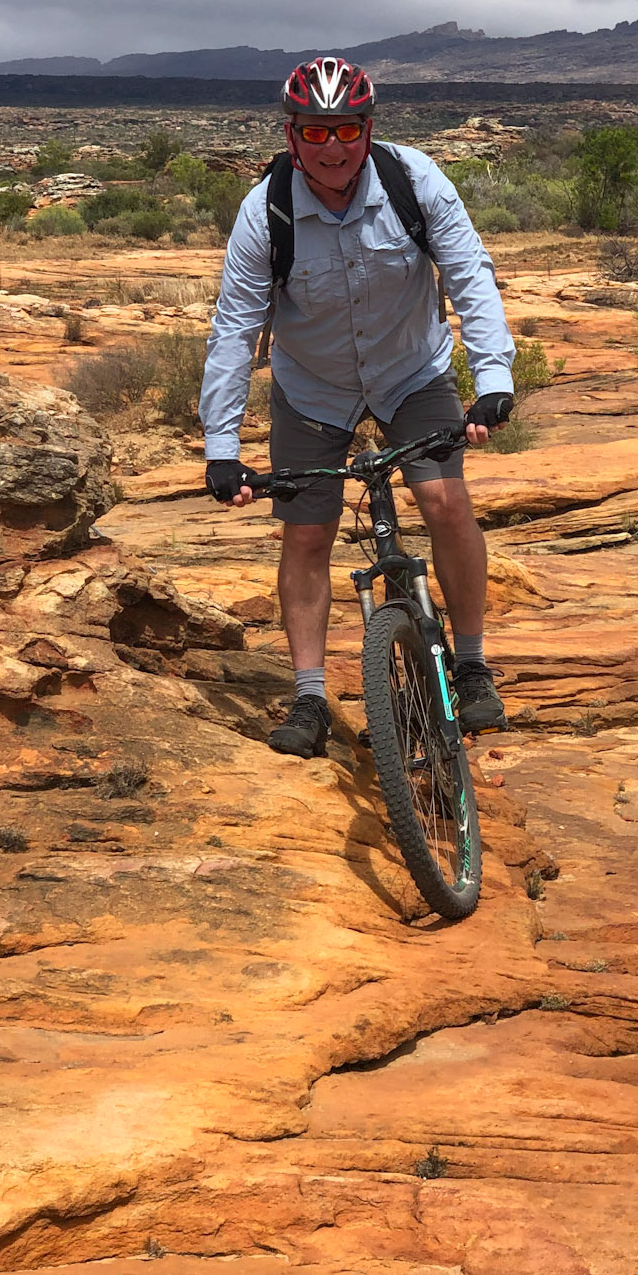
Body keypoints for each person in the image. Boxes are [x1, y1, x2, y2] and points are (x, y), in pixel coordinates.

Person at [199, 56, 515, 757]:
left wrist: (493, 377)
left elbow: (470, 273)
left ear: (368, 130)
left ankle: (470, 665)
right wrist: (221, 448)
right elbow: (235, 329)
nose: (333, 147)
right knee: (307, 535)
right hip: (313, 389)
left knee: (445, 502)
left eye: (346, 130)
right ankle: (310, 697)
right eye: (316, 132)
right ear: (292, 136)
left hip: (411, 372)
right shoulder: (266, 211)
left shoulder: (413, 180)